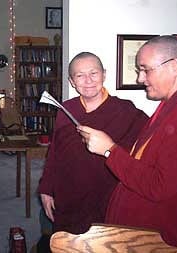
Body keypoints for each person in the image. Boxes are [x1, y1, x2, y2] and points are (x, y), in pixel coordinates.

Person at [78, 36, 177, 250]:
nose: (140, 78)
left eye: (146, 70)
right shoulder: (172, 106)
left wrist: (110, 150)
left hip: (166, 242)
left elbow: (159, 186)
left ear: (174, 66)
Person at [38, 52, 148, 238]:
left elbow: (150, 143)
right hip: (69, 196)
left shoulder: (125, 110)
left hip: (106, 197)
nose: (88, 80)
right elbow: (55, 152)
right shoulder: (66, 109)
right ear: (72, 81)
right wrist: (46, 188)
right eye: (80, 75)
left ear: (104, 75)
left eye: (93, 73)